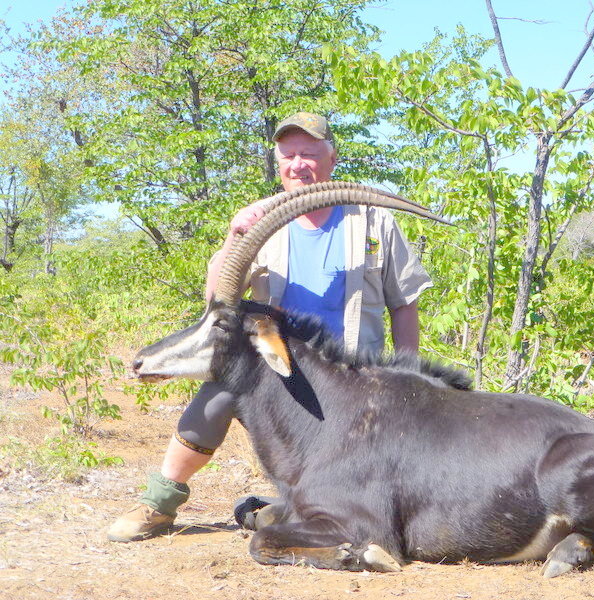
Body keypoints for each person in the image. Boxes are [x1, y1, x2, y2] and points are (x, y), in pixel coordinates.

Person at [108, 112, 432, 542]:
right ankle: (160, 502)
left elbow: (404, 304)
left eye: (310, 154)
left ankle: (316, 510)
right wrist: (233, 234)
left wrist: (409, 376)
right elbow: (215, 303)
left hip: (354, 380)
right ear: (278, 162)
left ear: (331, 159)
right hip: (279, 373)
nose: (299, 164)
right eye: (289, 154)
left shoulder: (374, 222)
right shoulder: (261, 223)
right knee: (219, 394)